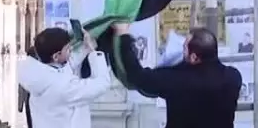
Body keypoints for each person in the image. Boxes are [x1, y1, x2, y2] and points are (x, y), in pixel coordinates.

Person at [112, 23, 241, 128]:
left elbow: (138, 76)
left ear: (194, 57)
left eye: (184, 48)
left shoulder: (176, 80)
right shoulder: (233, 77)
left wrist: (123, 35)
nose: (182, 49)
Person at [18, 28, 112, 128]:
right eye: (67, 48)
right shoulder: (62, 87)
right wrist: (93, 52)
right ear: (55, 56)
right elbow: (102, 84)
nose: (71, 49)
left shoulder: (38, 72)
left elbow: (67, 67)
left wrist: (86, 49)